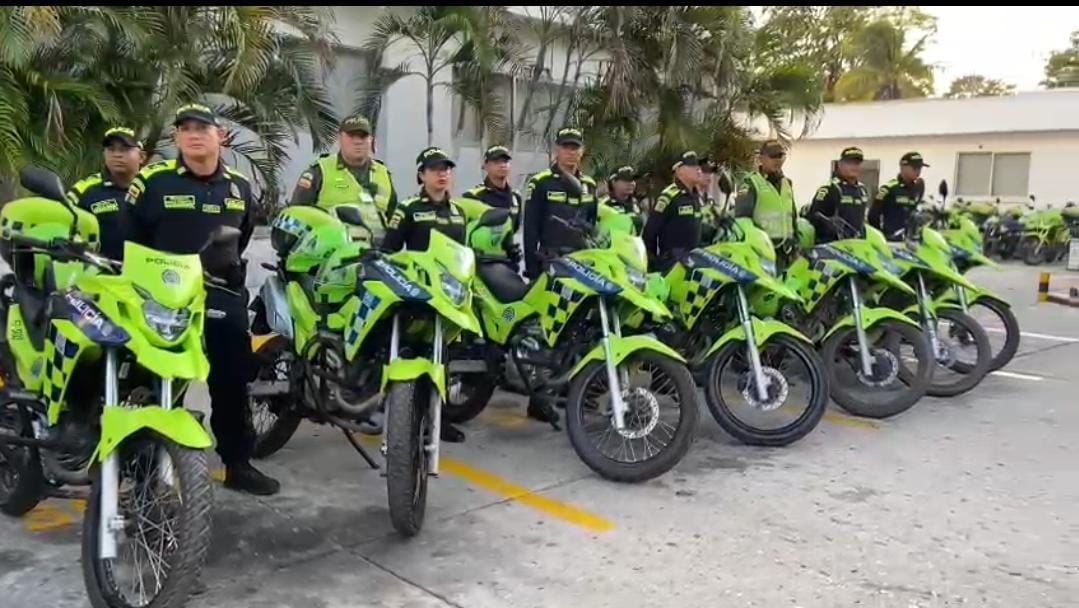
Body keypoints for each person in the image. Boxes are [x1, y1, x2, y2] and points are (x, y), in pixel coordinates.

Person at [124, 103, 278, 496]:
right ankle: (146, 475)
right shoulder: (152, 182)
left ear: (220, 137)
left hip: (222, 294)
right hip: (163, 299)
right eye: (186, 128)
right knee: (156, 380)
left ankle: (237, 464)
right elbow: (130, 241)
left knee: (231, 381)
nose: (194, 135)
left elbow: (241, 239)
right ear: (176, 137)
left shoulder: (240, 187)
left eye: (202, 128)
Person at [381, 147, 471, 442]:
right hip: (415, 296)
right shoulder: (408, 208)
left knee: (442, 358)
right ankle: (399, 413)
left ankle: (438, 419)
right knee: (408, 351)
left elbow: (463, 256)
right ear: (421, 175)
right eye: (435, 169)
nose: (442, 174)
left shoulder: (459, 213)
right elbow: (389, 251)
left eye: (446, 169)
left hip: (448, 298)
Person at [289, 113, 398, 242]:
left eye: (363, 136)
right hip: (332, 250)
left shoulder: (383, 173)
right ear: (339, 139)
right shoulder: (320, 171)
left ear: (371, 140)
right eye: (351, 136)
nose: (358, 141)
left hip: (376, 250)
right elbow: (296, 215)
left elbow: (393, 219)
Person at [522, 126, 599, 279]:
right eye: (565, 147)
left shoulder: (589, 184)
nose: (570, 152)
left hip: (582, 259)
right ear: (556, 149)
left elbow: (592, 223)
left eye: (575, 148)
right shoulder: (540, 182)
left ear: (582, 151)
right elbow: (530, 229)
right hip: (551, 258)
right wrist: (532, 268)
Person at [66, 127, 146, 261]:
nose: (117, 155)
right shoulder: (84, 190)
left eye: (124, 149)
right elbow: (64, 222)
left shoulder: (154, 187)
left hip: (150, 269)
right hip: (99, 270)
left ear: (142, 157)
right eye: (111, 149)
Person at [735, 139, 799, 264]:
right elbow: (742, 221)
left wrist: (796, 243)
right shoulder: (751, 183)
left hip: (787, 251)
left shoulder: (787, 183)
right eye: (773, 156)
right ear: (761, 159)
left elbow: (792, 217)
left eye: (780, 156)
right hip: (762, 251)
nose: (777, 160)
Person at [462, 144, 523, 265]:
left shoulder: (516, 197)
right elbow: (464, 233)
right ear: (486, 165)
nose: (502, 165)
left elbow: (513, 229)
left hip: (507, 263)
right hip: (480, 262)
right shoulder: (474, 196)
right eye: (496, 162)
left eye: (505, 161)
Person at [642, 151, 703, 272]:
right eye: (691, 165)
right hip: (672, 264)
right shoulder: (669, 196)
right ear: (678, 171)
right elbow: (650, 232)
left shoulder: (695, 196)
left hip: (692, 262)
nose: (698, 169)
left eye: (698, 165)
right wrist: (653, 263)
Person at [807, 146, 871, 243]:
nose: (854, 167)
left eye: (857, 163)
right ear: (840, 165)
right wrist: (829, 223)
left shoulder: (862, 189)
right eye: (849, 163)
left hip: (856, 243)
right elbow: (813, 215)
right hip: (832, 244)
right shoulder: (829, 188)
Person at [869, 152, 928, 241]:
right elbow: (873, 215)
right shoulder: (889, 188)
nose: (918, 171)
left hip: (911, 240)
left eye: (919, 168)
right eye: (915, 168)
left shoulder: (916, 189)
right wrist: (881, 236)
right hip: (892, 240)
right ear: (903, 167)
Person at [697, 157, 722, 244]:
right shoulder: (688, 198)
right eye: (705, 171)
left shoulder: (711, 201)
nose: (709, 175)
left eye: (710, 172)